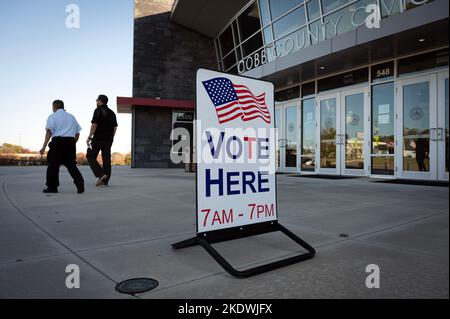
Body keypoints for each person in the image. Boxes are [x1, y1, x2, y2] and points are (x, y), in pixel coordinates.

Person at [40, 100, 84, 194]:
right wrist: (72, 143)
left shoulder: (52, 116)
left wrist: (44, 146)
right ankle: (80, 183)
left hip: (58, 142)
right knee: (71, 165)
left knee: (53, 165)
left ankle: (52, 187)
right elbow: (77, 133)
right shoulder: (71, 117)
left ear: (54, 107)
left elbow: (49, 132)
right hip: (70, 142)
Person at [86, 94, 118, 186]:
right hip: (108, 140)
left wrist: (89, 137)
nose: (96, 102)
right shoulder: (112, 112)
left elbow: (94, 125)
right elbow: (115, 127)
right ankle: (105, 181)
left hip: (97, 139)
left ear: (100, 101)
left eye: (97, 100)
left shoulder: (98, 110)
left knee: (90, 156)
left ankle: (101, 174)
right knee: (106, 160)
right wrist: (111, 137)